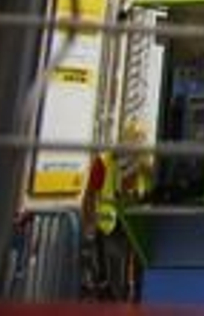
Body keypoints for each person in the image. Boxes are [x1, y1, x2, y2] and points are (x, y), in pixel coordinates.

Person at [81, 123, 152, 301]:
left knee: (140, 275)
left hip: (139, 223)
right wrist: (88, 226)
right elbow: (89, 195)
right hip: (111, 225)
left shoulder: (147, 164)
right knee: (114, 277)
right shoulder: (104, 161)